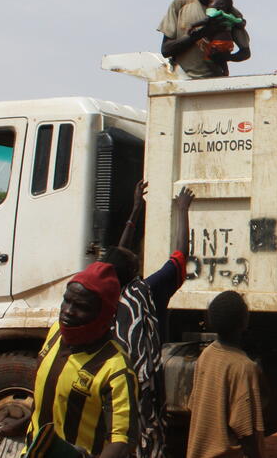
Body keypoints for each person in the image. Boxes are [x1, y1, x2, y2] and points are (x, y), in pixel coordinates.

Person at [98, 181, 193, 458]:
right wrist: (183, 210)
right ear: (132, 271)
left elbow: (115, 258)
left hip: (108, 390)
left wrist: (135, 210)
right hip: (142, 397)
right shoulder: (146, 292)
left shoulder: (102, 294)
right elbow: (179, 256)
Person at [11, 262, 138, 458]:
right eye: (66, 301)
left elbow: (122, 442)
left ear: (103, 314)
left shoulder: (115, 368)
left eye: (81, 307)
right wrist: (27, 421)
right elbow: (54, 397)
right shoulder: (56, 334)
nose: (68, 311)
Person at [186, 291, 265, 458]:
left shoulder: (206, 354)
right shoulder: (244, 367)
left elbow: (193, 405)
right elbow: (245, 431)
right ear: (244, 321)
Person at [158, 0, 251, 78]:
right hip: (181, 81)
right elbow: (166, 50)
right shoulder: (179, 6)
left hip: (213, 83)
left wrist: (227, 58)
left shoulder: (227, 10)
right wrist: (201, 33)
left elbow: (245, 52)